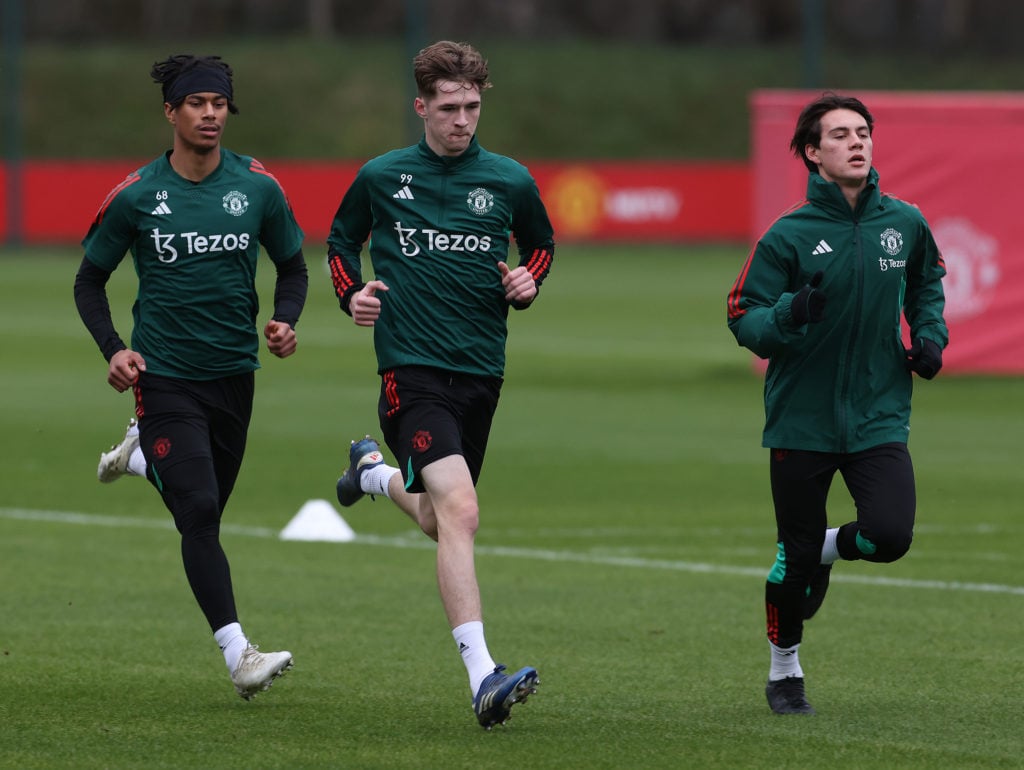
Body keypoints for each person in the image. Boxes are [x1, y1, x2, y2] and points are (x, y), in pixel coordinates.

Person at [326, 40, 554, 729]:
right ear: (421, 106)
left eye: (473, 107)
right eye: (449, 108)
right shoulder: (382, 176)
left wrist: (526, 282)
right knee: (462, 511)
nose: (462, 120)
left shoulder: (510, 180)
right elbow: (340, 242)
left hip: (482, 370)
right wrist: (352, 296)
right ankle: (483, 675)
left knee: (437, 514)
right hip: (411, 369)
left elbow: (540, 247)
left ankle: (372, 473)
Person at [73, 54, 308, 700]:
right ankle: (240, 655)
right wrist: (114, 349)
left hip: (234, 373)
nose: (210, 114)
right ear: (171, 111)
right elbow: (89, 281)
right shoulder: (138, 194)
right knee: (200, 513)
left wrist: (286, 320)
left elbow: (293, 269)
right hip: (164, 374)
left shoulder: (259, 188)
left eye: (220, 103)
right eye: (197, 103)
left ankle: (143, 455)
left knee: (205, 507)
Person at [726, 92, 947, 715]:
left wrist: (929, 336)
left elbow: (928, 281)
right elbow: (744, 316)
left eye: (863, 132)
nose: (857, 143)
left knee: (890, 535)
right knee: (789, 563)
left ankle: (825, 548)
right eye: (841, 135)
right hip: (802, 418)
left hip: (879, 413)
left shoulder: (904, 222)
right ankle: (784, 670)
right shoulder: (788, 234)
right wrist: (790, 314)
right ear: (811, 153)